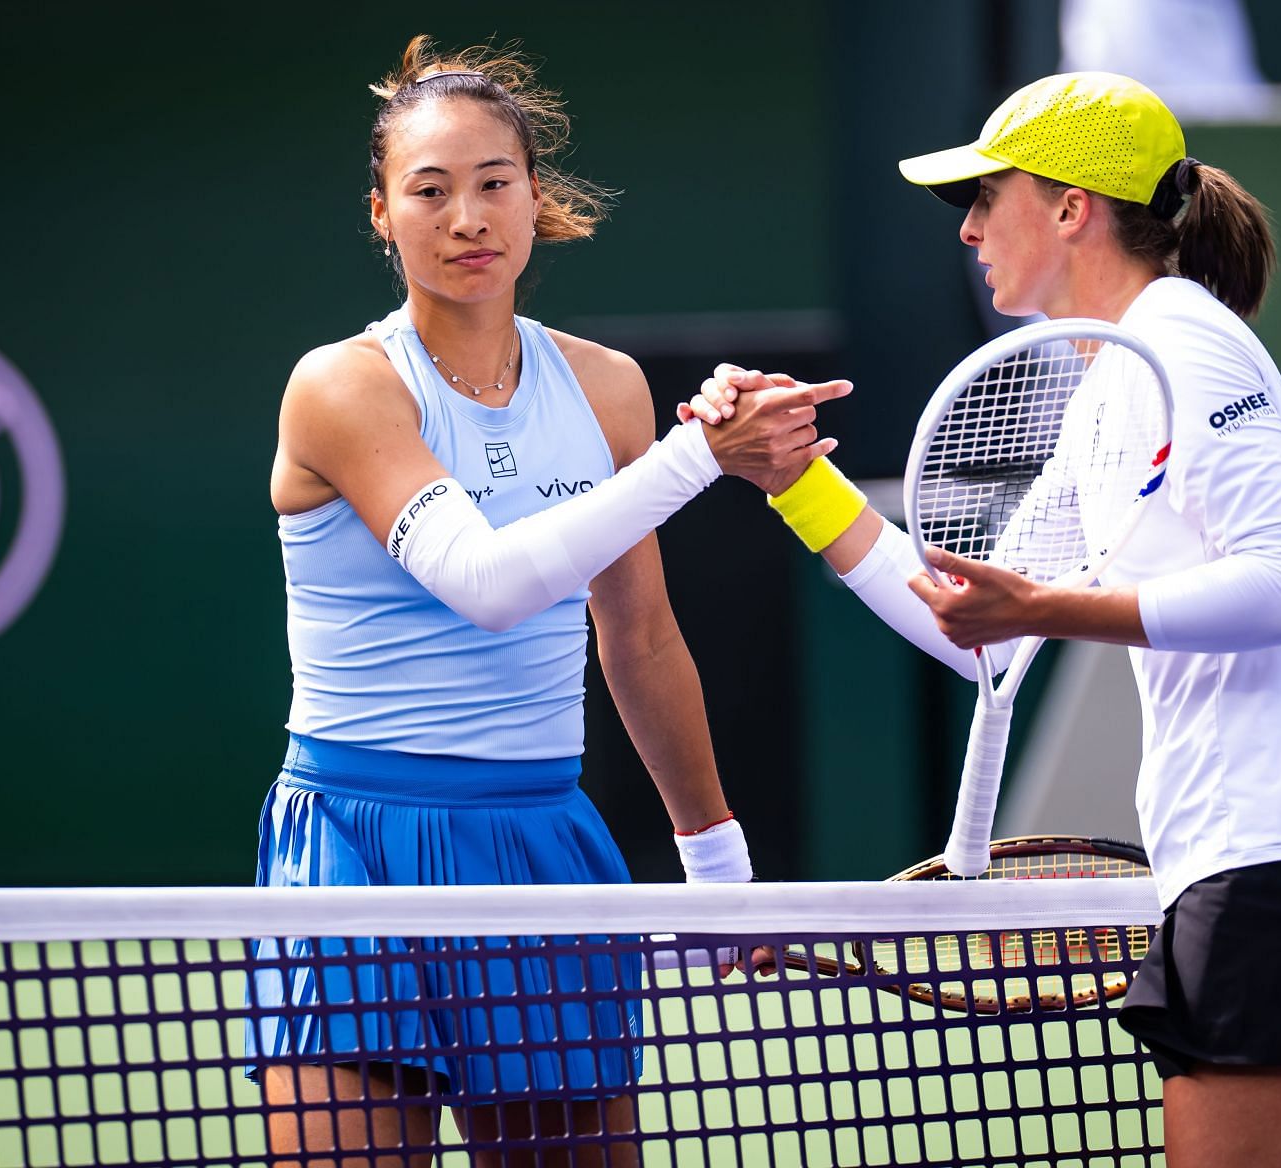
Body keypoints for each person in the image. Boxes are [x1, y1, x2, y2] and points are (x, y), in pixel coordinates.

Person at [682, 72, 1281, 1168]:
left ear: (1071, 207)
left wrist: (1055, 604)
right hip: (1266, 872)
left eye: (985, 196)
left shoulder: (1186, 343)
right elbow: (979, 624)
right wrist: (794, 485)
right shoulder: (1111, 380)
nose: (967, 228)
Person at [252, 35, 846, 1168]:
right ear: (382, 212)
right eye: (428, 191)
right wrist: (693, 459)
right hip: (353, 844)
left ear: (536, 200)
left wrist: (719, 865)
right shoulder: (343, 387)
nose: (466, 217)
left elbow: (639, 633)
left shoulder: (607, 387)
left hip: (541, 844)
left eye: (493, 184)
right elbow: (487, 585)